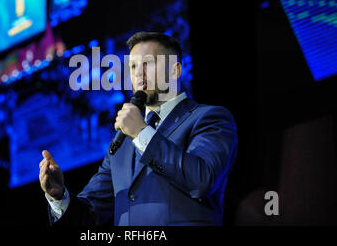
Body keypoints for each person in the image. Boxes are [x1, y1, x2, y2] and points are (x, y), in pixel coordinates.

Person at [39, 32, 238, 226]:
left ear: (175, 71)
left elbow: (203, 180)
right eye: (133, 66)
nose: (138, 73)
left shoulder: (209, 118)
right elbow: (89, 214)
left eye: (148, 64)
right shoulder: (123, 140)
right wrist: (58, 196)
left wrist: (142, 133)